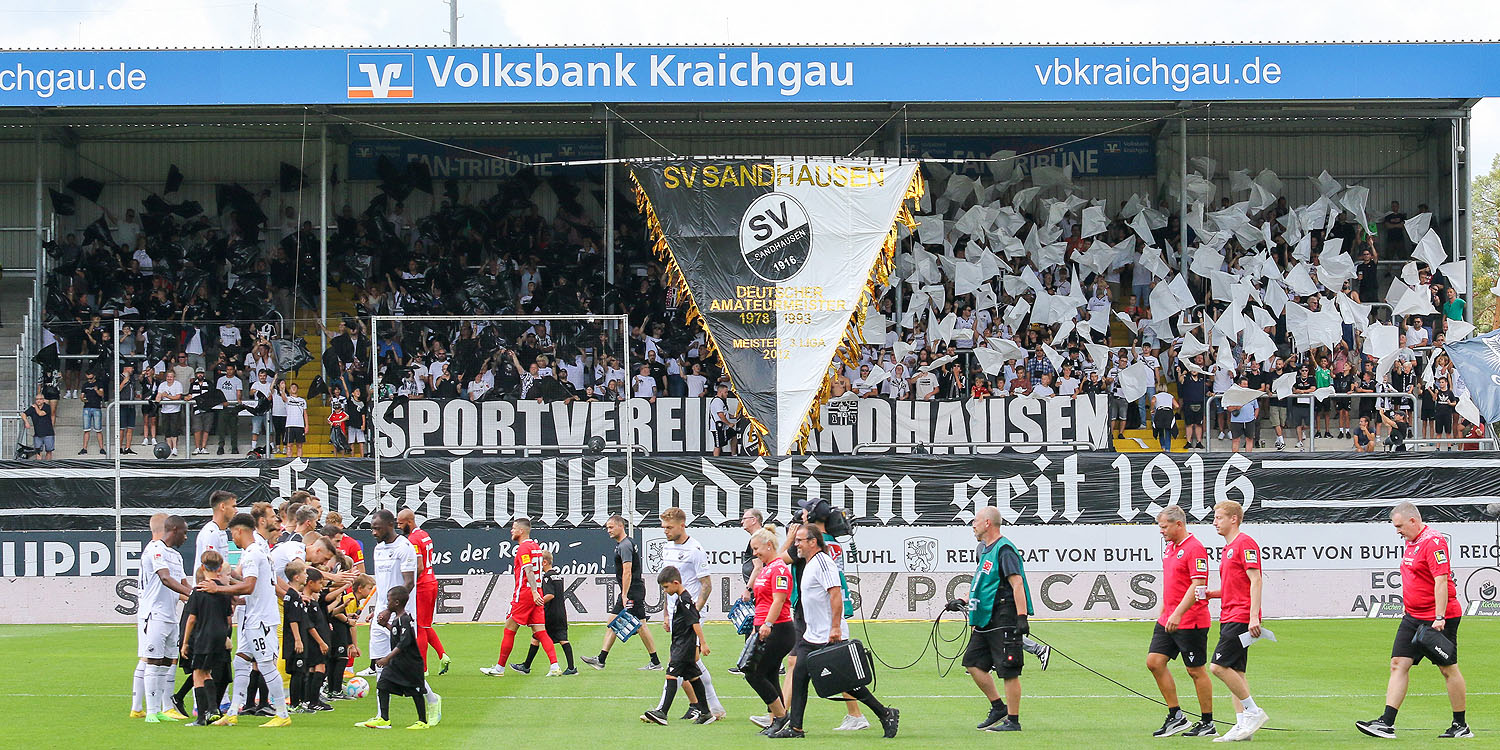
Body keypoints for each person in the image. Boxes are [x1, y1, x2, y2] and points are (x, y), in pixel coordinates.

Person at [1356, 503, 1473, 739]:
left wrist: (1439, 617)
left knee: (1447, 668)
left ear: (1413, 521)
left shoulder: (1433, 541)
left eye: (1399, 526)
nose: (1397, 531)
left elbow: (1441, 580)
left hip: (1439, 617)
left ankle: (1460, 725)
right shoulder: (1411, 542)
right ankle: (1386, 723)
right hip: (1412, 616)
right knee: (1398, 663)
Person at [772, 525, 899, 739]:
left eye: (800, 540)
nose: (796, 544)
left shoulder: (823, 562)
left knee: (847, 682)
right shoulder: (810, 563)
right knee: (800, 677)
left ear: (813, 542)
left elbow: (835, 594)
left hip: (828, 636)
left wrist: (835, 627)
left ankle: (886, 713)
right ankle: (796, 728)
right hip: (811, 635)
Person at [205, 513, 292, 727]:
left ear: (239, 531)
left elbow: (249, 586)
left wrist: (219, 589)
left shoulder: (254, 554)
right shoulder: (256, 553)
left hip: (260, 620)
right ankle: (233, 712)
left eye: (232, 534)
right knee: (241, 661)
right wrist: (234, 592)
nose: (231, 539)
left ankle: (282, 714)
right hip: (253, 617)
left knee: (266, 665)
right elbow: (259, 588)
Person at [951, 506, 1030, 733]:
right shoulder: (984, 550)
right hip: (985, 618)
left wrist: (1022, 617)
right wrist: (963, 600)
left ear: (987, 523)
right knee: (973, 663)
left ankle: (1013, 721)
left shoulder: (1005, 550)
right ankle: (998, 707)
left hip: (1004, 616)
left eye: (975, 521)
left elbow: (1017, 583)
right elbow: (983, 584)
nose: (972, 525)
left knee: (1009, 669)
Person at [364, 510, 444, 720]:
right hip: (382, 613)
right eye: (372, 528)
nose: (373, 532)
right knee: (380, 663)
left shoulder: (404, 547)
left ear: (390, 525)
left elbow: (408, 582)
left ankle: (433, 700)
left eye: (377, 528)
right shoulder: (378, 549)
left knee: (407, 665)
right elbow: (383, 584)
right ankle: (382, 717)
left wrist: (390, 610)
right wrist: (376, 609)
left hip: (401, 614)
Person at [1146, 506, 1217, 738]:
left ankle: (1207, 722)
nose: (1161, 531)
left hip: (1191, 620)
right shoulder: (1169, 548)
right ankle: (1176, 715)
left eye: (1164, 527)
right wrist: (1165, 611)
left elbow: (1198, 584)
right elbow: (1172, 583)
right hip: (1168, 618)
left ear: (1179, 524)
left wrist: (1177, 613)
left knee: (1195, 670)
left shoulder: (1195, 548)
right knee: (1154, 662)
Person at [1203, 500, 1267, 742]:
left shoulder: (1245, 543)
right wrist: (1213, 594)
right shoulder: (1228, 548)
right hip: (1229, 613)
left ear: (1234, 519)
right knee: (1237, 672)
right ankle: (1243, 727)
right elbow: (1235, 585)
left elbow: (1256, 580)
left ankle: (1253, 711)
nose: (1215, 522)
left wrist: (1253, 616)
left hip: (1240, 616)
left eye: (1219, 517)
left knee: (1218, 667)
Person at [651, 507, 725, 718]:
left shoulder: (695, 550)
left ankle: (661, 710)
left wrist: (693, 613)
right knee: (692, 663)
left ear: (682, 525)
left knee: (678, 661)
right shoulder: (667, 548)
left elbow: (706, 585)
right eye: (664, 527)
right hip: (676, 614)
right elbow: (667, 583)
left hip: (689, 615)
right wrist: (666, 613)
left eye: (669, 527)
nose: (665, 531)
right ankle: (711, 708)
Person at [480, 518, 560, 677]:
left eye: (514, 528)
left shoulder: (523, 548)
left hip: (526, 593)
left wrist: (534, 591)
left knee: (509, 629)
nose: (511, 530)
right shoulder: (536, 547)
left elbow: (529, 570)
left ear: (521, 531)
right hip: (535, 593)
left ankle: (499, 669)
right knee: (540, 631)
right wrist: (537, 591)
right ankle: (555, 666)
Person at [582, 515, 662, 671]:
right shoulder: (625, 543)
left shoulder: (625, 546)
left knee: (639, 626)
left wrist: (624, 595)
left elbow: (627, 572)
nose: (608, 531)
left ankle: (655, 662)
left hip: (632, 592)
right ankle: (601, 659)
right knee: (615, 624)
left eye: (611, 527)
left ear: (620, 526)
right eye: (607, 528)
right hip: (633, 590)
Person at [640, 566, 713, 725]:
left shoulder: (685, 599)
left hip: (683, 645)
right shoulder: (681, 599)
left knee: (671, 675)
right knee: (693, 677)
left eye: (666, 587)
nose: (665, 591)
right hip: (681, 644)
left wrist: (703, 643)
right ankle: (706, 712)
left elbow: (695, 621)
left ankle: (662, 712)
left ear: (675, 582)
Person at [138, 515, 193, 723]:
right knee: (153, 661)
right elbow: (165, 578)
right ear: (175, 530)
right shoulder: (155, 549)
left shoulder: (176, 557)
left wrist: (199, 596)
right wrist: (195, 595)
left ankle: (162, 708)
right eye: (185, 533)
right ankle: (151, 712)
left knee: (167, 662)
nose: (186, 537)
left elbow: (183, 584)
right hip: (154, 614)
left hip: (171, 615)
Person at [357, 586, 433, 730]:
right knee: (383, 685)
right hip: (397, 662)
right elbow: (397, 634)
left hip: (411, 663)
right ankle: (384, 719)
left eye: (389, 600)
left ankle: (422, 721)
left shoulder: (405, 619)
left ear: (397, 603)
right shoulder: (398, 620)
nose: (387, 604)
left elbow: (404, 642)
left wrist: (387, 658)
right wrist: (386, 625)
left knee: (416, 691)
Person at [745, 527, 796, 735]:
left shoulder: (779, 569)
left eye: (757, 549)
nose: (755, 553)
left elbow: (779, 599)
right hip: (764, 626)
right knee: (771, 674)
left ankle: (782, 716)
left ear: (769, 545)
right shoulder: (768, 567)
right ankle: (777, 720)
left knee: (754, 673)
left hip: (779, 628)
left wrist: (767, 624)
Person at [180, 549, 234, 725]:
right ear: (219, 569)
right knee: (208, 672)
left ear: (202, 567)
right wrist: (225, 635)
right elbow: (228, 618)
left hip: (205, 636)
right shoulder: (224, 590)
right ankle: (213, 709)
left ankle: (203, 716)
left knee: (198, 673)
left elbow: (192, 619)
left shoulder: (199, 591)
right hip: (220, 635)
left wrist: (186, 642)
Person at [397, 509, 451, 675]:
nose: (399, 527)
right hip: (431, 581)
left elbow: (419, 566)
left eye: (400, 523)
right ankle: (442, 655)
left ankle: (423, 668)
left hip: (422, 585)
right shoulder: (424, 535)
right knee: (425, 624)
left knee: (419, 627)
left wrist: (409, 584)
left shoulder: (413, 539)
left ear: (409, 521)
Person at [513, 549, 576, 675]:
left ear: (545, 562)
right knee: (560, 638)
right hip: (561, 612)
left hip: (550, 613)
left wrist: (537, 601)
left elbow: (550, 595)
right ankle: (571, 667)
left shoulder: (547, 577)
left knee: (537, 635)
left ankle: (526, 666)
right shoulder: (557, 575)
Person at [79, 371, 106, 455]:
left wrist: (96, 390)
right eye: (88, 378)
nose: (89, 380)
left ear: (94, 376)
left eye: (91, 378)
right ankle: (84, 448)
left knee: (98, 429)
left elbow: (102, 394)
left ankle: (102, 448)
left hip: (96, 408)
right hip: (87, 408)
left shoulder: (99, 383)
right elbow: (82, 396)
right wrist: (83, 399)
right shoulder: (85, 385)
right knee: (86, 429)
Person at [21, 394, 55, 459]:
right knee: (38, 451)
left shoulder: (47, 407)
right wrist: (26, 422)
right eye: (37, 399)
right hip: (38, 434)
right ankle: (39, 466)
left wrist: (36, 407)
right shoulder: (32, 408)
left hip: (48, 433)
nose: (38, 401)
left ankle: (48, 466)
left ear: (43, 400)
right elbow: (23, 414)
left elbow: (41, 413)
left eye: (40, 399)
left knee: (49, 451)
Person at [283, 382, 308, 458]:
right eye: (292, 387)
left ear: (298, 389)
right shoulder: (288, 399)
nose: (293, 388)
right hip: (290, 425)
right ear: (289, 390)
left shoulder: (302, 401)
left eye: (295, 387)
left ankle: (299, 461)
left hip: (300, 425)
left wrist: (306, 426)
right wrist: (282, 389)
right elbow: (283, 397)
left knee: (299, 445)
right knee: (289, 445)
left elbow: (305, 414)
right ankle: (289, 461)